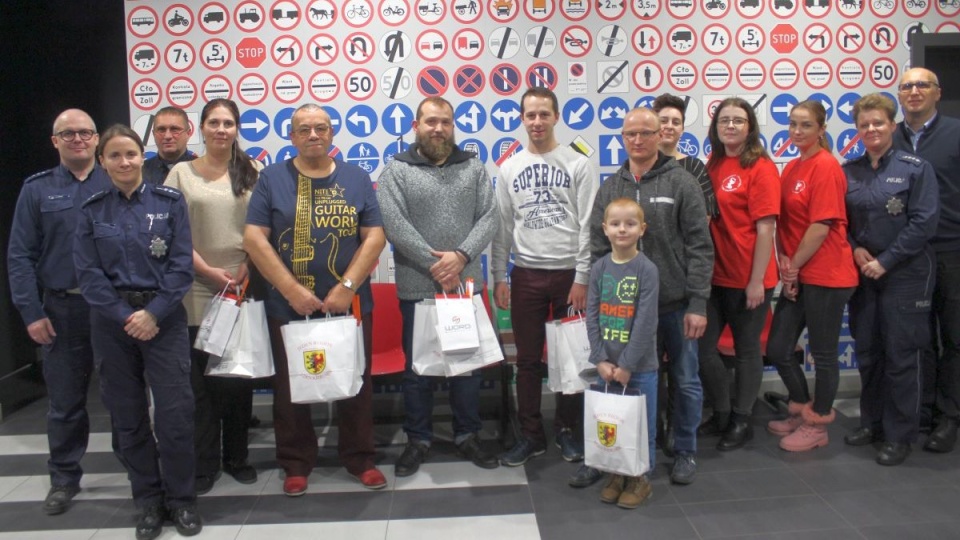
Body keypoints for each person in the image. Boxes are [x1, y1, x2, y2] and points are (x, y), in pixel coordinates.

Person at [243, 104, 387, 495]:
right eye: (303, 129)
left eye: (320, 128)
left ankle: (360, 458)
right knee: (291, 387)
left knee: (355, 382)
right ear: (291, 136)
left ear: (332, 133)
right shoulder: (272, 178)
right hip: (288, 305)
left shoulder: (356, 178)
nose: (313, 135)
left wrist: (348, 286)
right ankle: (295, 462)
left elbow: (374, 236)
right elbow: (255, 237)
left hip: (350, 303)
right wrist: (291, 289)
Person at [74, 125, 200, 539]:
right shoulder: (91, 209)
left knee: (175, 416)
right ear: (102, 161)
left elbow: (181, 266)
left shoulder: (169, 202)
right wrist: (125, 316)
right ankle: (147, 500)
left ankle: (181, 500)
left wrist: (153, 314)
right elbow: (88, 276)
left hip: (163, 320)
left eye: (130, 154)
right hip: (113, 325)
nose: (124, 162)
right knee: (128, 418)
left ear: (140, 156)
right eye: (115, 156)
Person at [377, 97, 500, 477]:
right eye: (431, 121)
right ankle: (418, 439)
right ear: (416, 124)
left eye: (445, 122)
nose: (438, 129)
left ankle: (467, 434)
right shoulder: (396, 171)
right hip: (418, 287)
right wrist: (437, 263)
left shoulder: (474, 168)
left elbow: (490, 217)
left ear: (453, 125)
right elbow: (393, 224)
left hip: (463, 287)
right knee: (418, 371)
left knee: (466, 365)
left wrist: (460, 257)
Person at [589, 107, 712, 484]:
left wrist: (697, 303)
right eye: (630, 134)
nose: (638, 140)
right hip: (624, 311)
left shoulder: (682, 183)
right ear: (623, 139)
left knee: (686, 379)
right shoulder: (611, 187)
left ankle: (686, 450)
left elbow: (700, 247)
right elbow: (597, 246)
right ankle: (626, 454)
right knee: (633, 384)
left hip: (675, 305)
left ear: (661, 135)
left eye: (646, 133)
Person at [491, 88, 599, 487]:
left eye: (543, 114)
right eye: (530, 115)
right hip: (527, 275)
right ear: (522, 118)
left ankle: (567, 431)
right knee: (529, 361)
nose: (536, 122)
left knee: (572, 359)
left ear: (556, 116)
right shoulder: (509, 168)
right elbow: (502, 226)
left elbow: (589, 225)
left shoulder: (579, 164)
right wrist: (499, 276)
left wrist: (584, 277)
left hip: (569, 274)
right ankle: (531, 435)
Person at [7, 109, 111, 515]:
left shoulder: (117, 179)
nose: (78, 139)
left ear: (98, 138)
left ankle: (139, 472)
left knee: (124, 397)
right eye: (68, 134)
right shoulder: (36, 190)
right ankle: (64, 478)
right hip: (62, 307)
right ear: (55, 141)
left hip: (112, 309)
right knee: (65, 402)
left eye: (85, 133)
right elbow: (19, 256)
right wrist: (31, 312)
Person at [165, 99, 262, 494]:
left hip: (242, 285)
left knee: (236, 379)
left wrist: (247, 268)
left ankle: (236, 457)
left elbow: (264, 228)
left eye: (228, 123)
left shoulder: (252, 170)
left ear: (236, 128)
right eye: (214, 122)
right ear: (200, 128)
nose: (221, 129)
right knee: (199, 384)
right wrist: (205, 270)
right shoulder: (180, 173)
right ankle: (205, 463)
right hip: (196, 285)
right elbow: (169, 232)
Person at [843, 93, 939, 466]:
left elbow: (923, 222)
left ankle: (901, 434)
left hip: (907, 273)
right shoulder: (849, 171)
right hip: (864, 274)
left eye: (878, 123)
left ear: (892, 126)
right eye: (864, 125)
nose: (871, 130)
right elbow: (842, 223)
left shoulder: (916, 168)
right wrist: (853, 249)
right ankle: (873, 423)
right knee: (869, 352)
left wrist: (886, 260)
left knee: (902, 354)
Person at [764, 101, 858, 452]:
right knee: (778, 347)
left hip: (827, 274)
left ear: (821, 129)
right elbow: (785, 225)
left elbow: (820, 227)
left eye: (806, 125)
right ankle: (801, 407)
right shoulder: (791, 168)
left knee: (824, 352)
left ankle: (818, 423)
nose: (797, 131)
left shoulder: (827, 167)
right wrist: (788, 268)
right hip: (800, 273)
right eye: (793, 125)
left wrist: (793, 268)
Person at [698, 97, 780, 451]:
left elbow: (766, 229)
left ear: (750, 126)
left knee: (747, 352)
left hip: (749, 277)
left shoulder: (760, 167)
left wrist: (757, 280)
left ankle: (742, 418)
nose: (730, 126)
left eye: (738, 120)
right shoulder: (712, 163)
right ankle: (721, 411)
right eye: (724, 121)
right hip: (715, 276)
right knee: (702, 349)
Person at [893, 67, 960, 453]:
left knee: (952, 338)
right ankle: (920, 410)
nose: (914, 91)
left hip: (951, 250)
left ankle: (948, 417)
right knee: (916, 340)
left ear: (938, 92)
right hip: (907, 256)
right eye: (907, 86)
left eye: (922, 85)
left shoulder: (954, 133)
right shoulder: (890, 136)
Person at [586, 198, 659, 509]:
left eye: (630, 224)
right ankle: (617, 474)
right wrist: (601, 359)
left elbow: (645, 321)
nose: (622, 229)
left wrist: (628, 364)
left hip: (639, 368)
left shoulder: (647, 269)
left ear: (642, 229)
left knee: (641, 424)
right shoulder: (599, 268)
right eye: (615, 224)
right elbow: (591, 315)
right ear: (605, 229)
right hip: (607, 367)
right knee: (613, 423)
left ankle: (640, 479)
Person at [653, 93, 718, 219]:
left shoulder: (695, 167)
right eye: (663, 121)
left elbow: (705, 216)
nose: (669, 126)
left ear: (682, 129)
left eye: (676, 122)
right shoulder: (642, 166)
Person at [143, 106, 196, 185]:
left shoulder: (201, 169)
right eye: (161, 130)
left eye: (175, 129)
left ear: (188, 133)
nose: (167, 136)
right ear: (153, 134)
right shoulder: (140, 173)